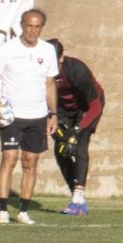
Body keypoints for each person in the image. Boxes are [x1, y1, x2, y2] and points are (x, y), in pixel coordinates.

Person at [0, 8, 58, 225]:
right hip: (12, 116)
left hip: (38, 115)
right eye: (29, 25)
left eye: (37, 26)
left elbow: (50, 83)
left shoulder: (47, 50)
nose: (33, 30)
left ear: (41, 27)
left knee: (31, 162)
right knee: (9, 158)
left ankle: (23, 211)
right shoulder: (7, 49)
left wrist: (53, 114)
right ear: (22, 26)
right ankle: (3, 210)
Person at [47, 38, 105, 216]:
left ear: (61, 58)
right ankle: (78, 200)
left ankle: (78, 197)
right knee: (62, 150)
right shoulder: (40, 71)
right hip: (62, 111)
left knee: (79, 147)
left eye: (54, 63)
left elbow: (95, 106)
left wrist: (77, 130)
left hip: (87, 108)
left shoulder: (76, 70)